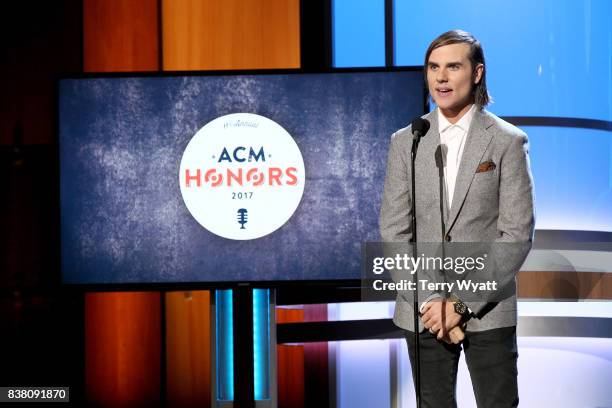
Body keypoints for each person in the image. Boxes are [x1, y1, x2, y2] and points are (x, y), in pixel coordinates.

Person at [379, 30, 535, 407]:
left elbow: (516, 231)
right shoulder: (408, 140)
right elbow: (395, 228)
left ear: (477, 73)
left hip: (488, 309)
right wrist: (430, 301)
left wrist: (461, 304)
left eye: (453, 66)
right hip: (422, 310)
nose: (441, 77)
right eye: (434, 67)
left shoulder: (506, 141)